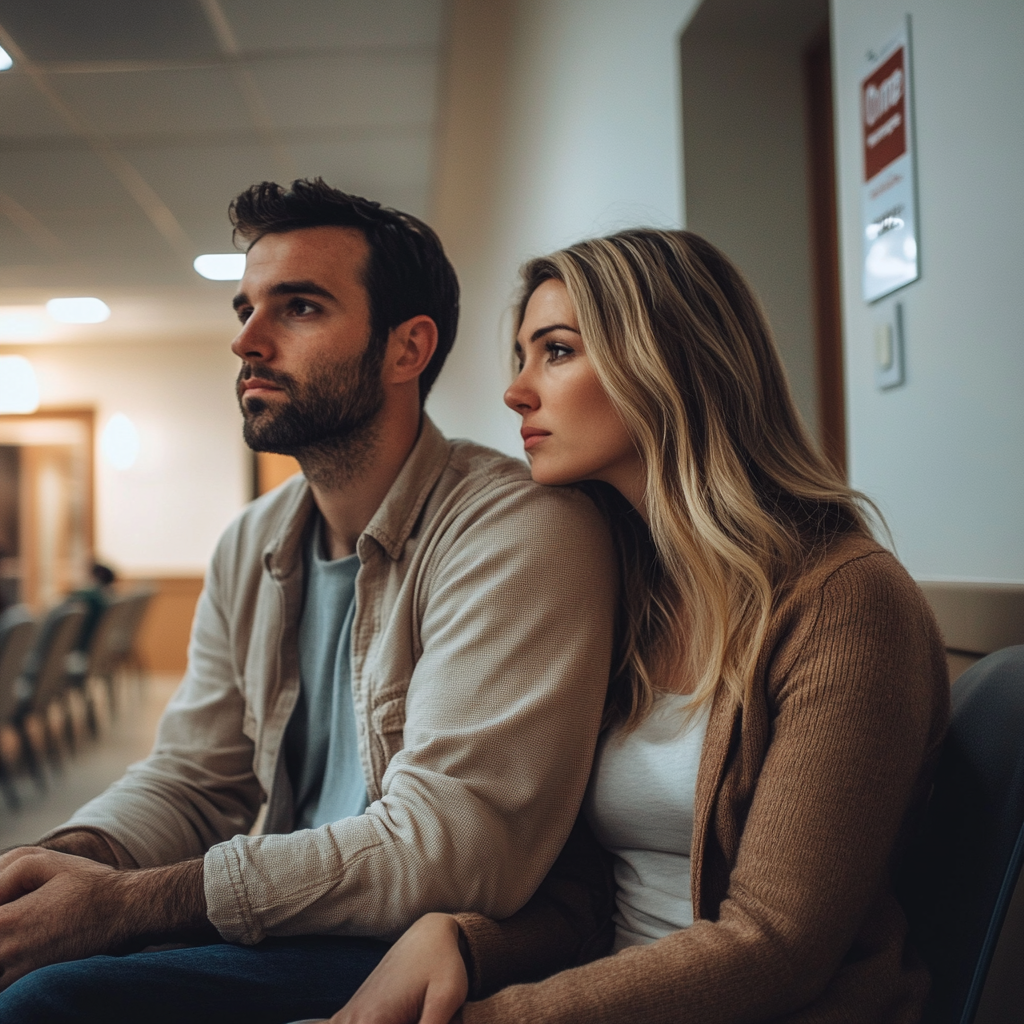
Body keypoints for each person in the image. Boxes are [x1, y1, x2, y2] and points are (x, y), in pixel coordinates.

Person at [0, 181, 618, 1023]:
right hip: (298, 917)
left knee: (48, 1002)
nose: (247, 340)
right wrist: (65, 862)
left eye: (298, 308)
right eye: (247, 307)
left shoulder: (516, 529)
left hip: (423, 941)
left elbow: (448, 849)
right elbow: (194, 777)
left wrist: (124, 905)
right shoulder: (249, 542)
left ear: (408, 348)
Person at [331, 228, 950, 1024]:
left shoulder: (846, 604)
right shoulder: (631, 595)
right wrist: (459, 939)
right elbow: (595, 892)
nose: (518, 392)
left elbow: (776, 946)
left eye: (555, 351)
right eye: (521, 358)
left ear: (670, 362)